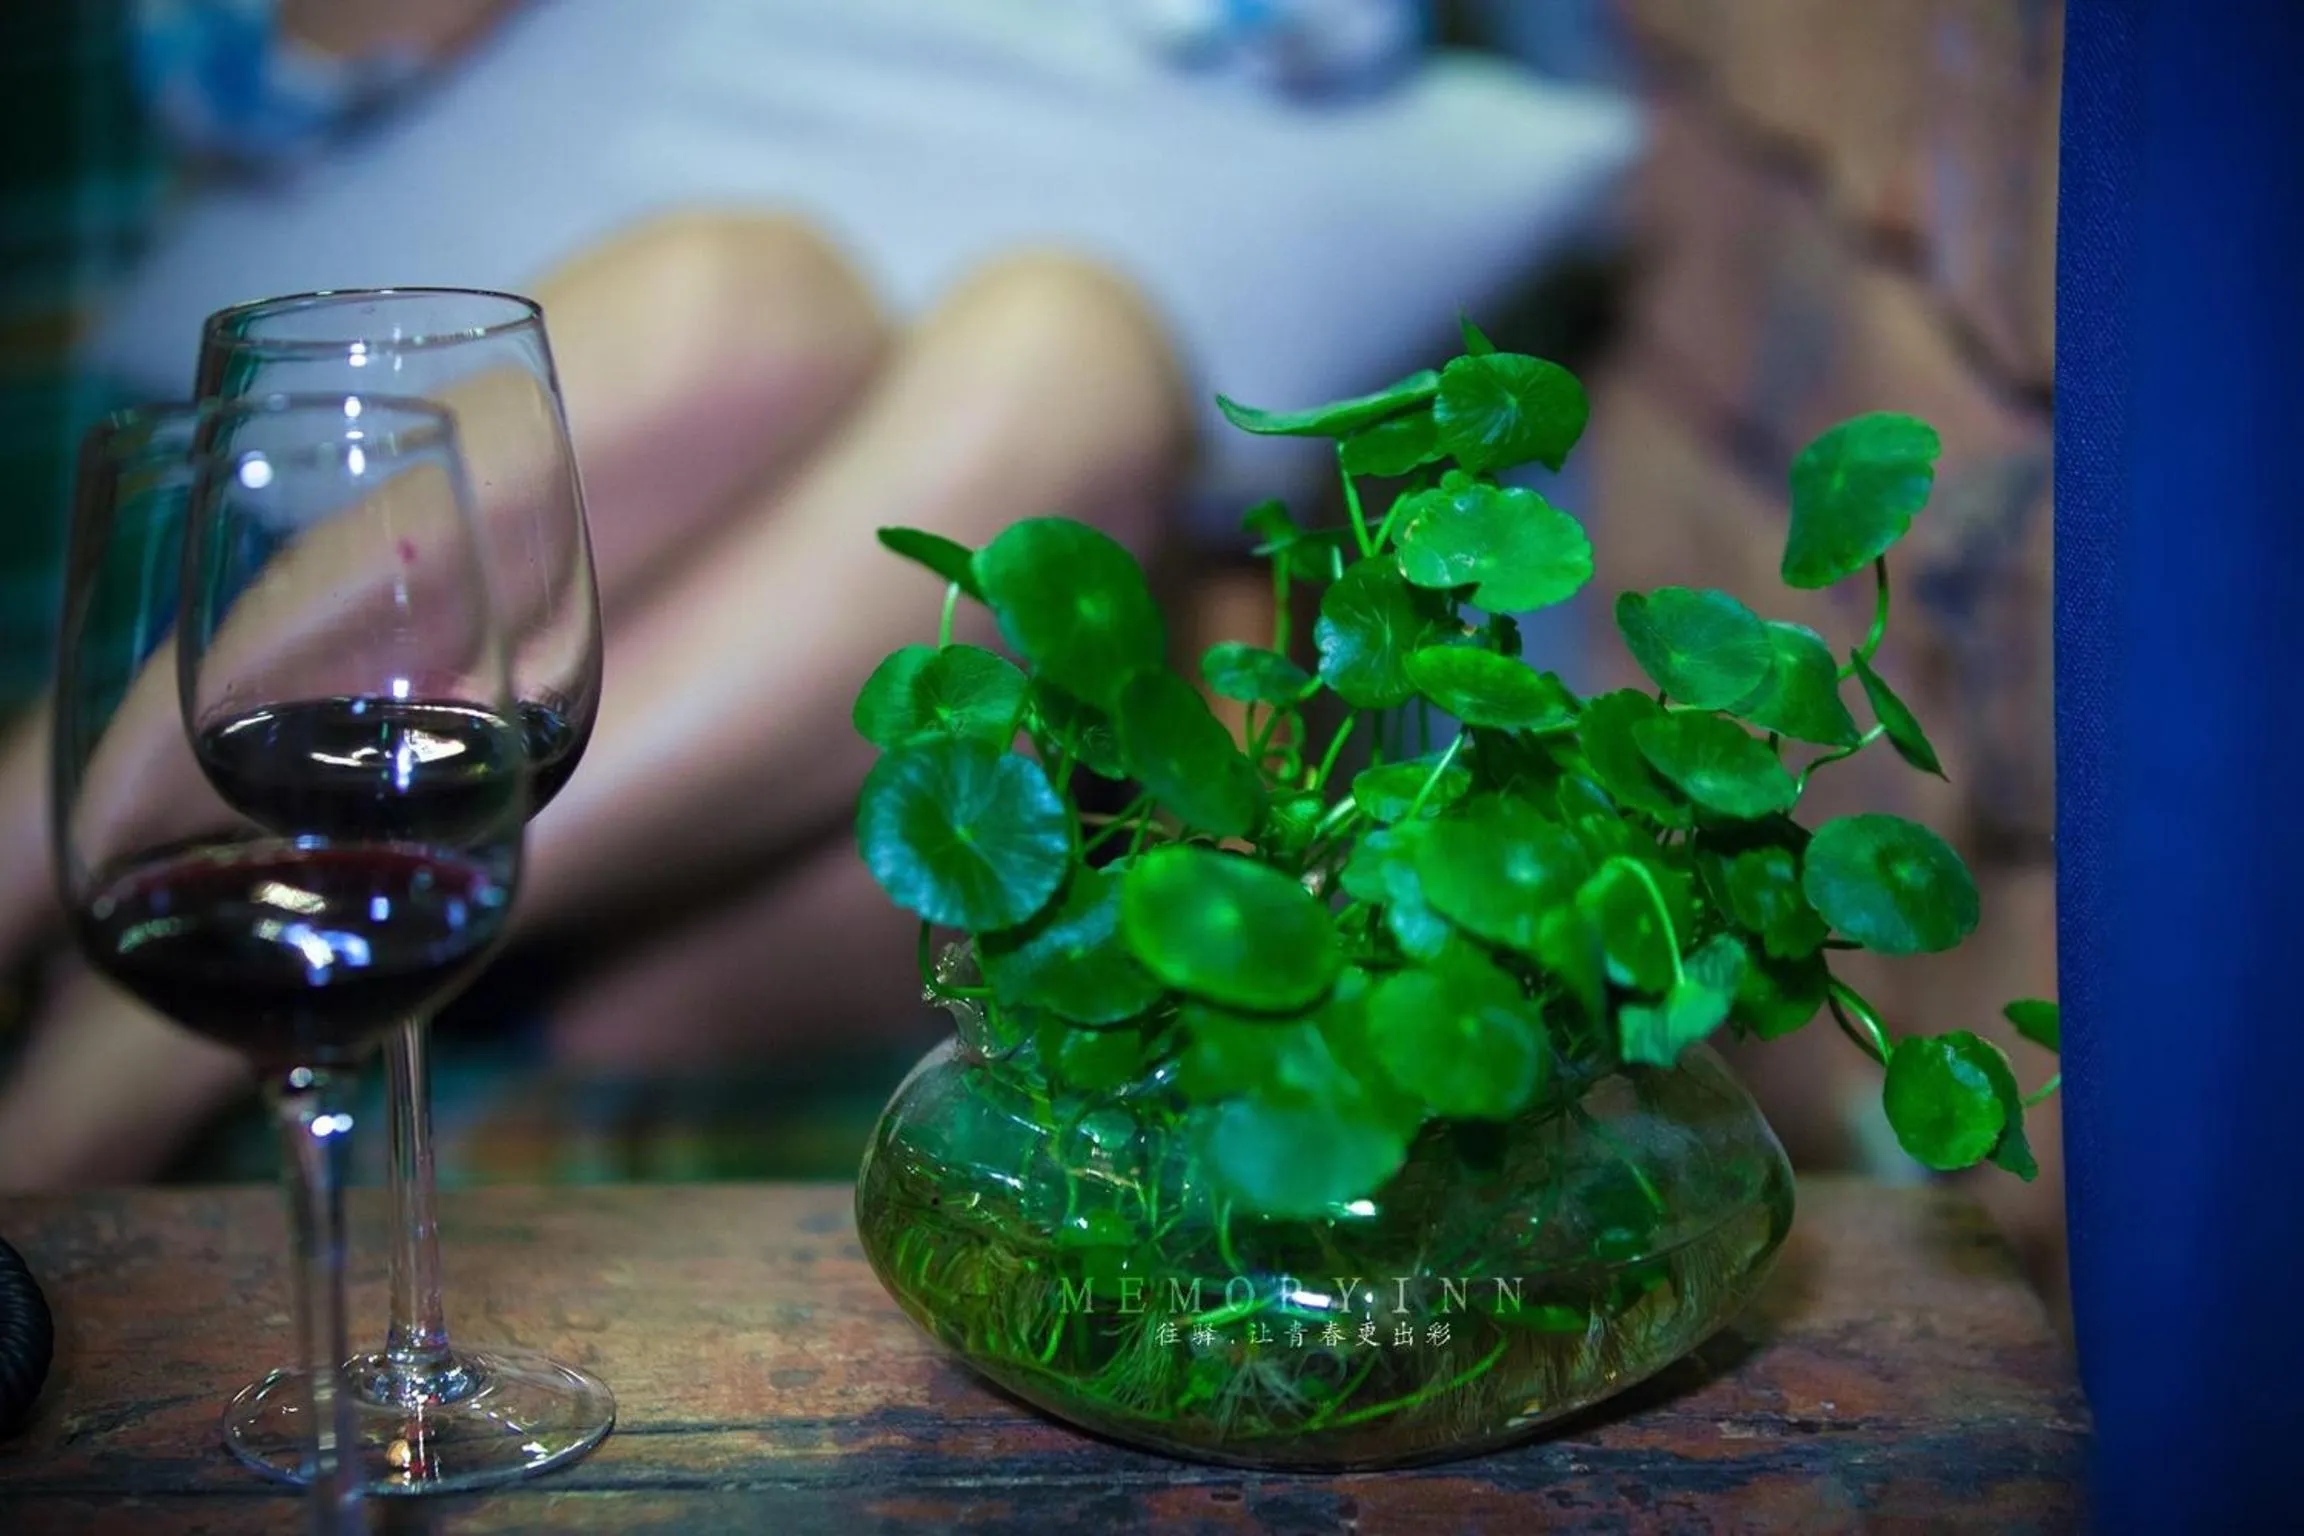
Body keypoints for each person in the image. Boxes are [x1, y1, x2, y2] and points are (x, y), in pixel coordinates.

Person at [0, 0, 1642, 1185]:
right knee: (742, 285)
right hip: (416, 611)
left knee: (1079, 345)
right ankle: (60, 862)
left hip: (720, 864)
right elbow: (255, 72)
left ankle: (201, 1004)